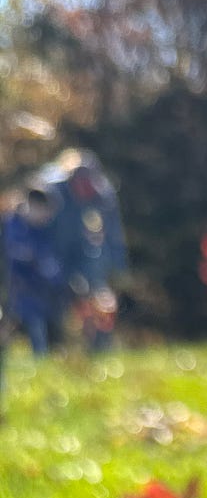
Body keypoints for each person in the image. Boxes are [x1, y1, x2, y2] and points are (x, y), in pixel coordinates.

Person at [37, 150, 127, 350]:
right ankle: (59, 347)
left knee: (97, 295)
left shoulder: (102, 193)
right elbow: (39, 230)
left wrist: (119, 265)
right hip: (55, 255)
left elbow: (113, 231)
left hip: (88, 252)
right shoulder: (51, 190)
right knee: (58, 302)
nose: (86, 187)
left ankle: (99, 344)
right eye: (81, 181)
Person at [3, 183, 67, 354]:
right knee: (12, 325)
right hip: (15, 289)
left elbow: (51, 260)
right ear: (33, 205)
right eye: (44, 211)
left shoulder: (44, 230)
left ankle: (41, 360)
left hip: (39, 290)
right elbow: (15, 253)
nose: (46, 216)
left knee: (39, 325)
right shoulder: (12, 225)